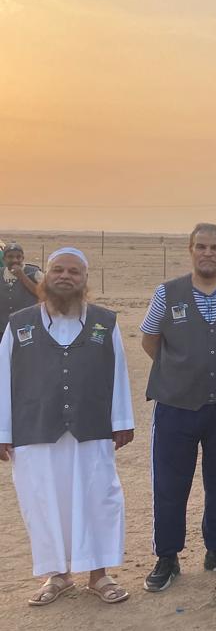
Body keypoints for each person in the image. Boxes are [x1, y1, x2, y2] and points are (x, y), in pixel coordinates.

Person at [0, 248, 133, 606]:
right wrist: (3, 432)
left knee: (98, 498)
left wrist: (122, 421)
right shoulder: (20, 324)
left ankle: (99, 575)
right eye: (58, 270)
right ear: (45, 276)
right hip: (35, 428)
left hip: (91, 427)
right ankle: (56, 575)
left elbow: (118, 371)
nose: (65, 276)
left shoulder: (105, 322)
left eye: (74, 271)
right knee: (43, 501)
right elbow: (3, 378)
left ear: (84, 279)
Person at [141, 223, 216, 592]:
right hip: (176, 405)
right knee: (170, 483)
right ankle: (167, 556)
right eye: (202, 246)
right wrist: (181, 370)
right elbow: (150, 339)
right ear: (190, 249)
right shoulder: (167, 293)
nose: (209, 253)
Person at [1, 243, 43, 330]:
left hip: (27, 326)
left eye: (18, 257)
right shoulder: (1, 273)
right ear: (4, 259)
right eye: (10, 257)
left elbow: (44, 294)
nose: (15, 260)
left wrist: (22, 276)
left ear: (23, 258)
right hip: (3, 326)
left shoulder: (34, 272)